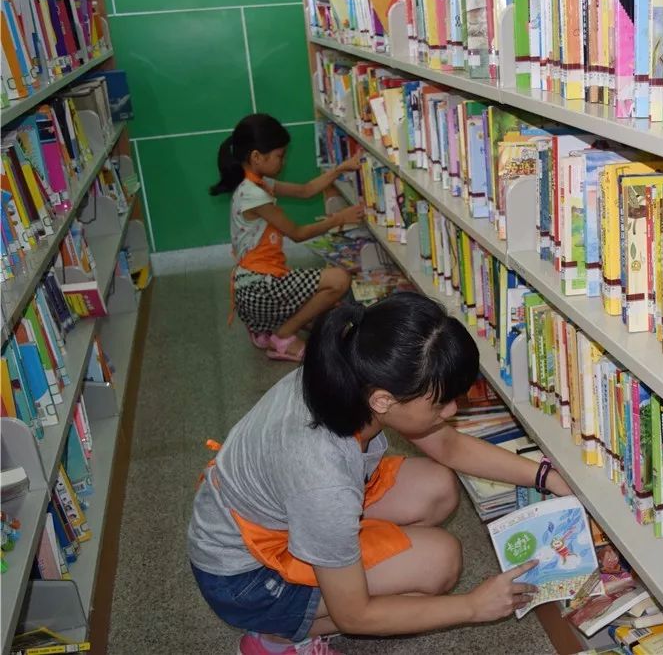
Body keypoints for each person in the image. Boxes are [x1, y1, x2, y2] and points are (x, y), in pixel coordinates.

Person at [188, 292, 573, 655]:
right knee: (440, 564)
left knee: (438, 486)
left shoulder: (345, 373)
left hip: (283, 514)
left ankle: (331, 557)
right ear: (383, 401)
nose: (452, 412)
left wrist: (545, 476)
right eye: (440, 402)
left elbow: (448, 446)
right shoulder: (322, 475)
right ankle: (273, 639)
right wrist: (473, 606)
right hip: (246, 578)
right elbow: (353, 614)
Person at [209, 113, 366, 362]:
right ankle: (282, 336)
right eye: (280, 156)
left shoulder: (255, 183)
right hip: (259, 288)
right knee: (339, 280)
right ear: (257, 157)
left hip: (252, 285)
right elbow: (297, 233)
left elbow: (305, 191)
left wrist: (339, 169)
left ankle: (264, 327)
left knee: (323, 309)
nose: (283, 162)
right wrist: (339, 218)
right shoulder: (254, 195)